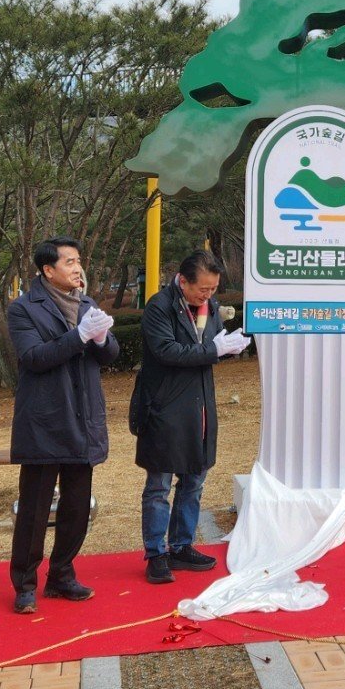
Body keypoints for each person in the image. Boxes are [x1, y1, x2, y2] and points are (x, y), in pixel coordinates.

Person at [8, 237, 119, 614]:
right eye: (69, 262)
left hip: (83, 417)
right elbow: (34, 357)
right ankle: (24, 583)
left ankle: (62, 574)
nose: (77, 268)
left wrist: (101, 338)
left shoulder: (86, 303)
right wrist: (79, 335)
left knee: (76, 507)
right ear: (47, 270)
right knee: (35, 509)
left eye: (78, 261)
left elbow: (110, 355)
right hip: (45, 420)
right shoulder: (24, 308)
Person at [130, 250, 250, 584]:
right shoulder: (159, 307)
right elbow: (166, 351)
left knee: (194, 480)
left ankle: (182, 545)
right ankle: (156, 553)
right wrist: (214, 350)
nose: (208, 295)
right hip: (164, 406)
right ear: (183, 281)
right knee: (159, 484)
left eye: (213, 289)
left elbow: (206, 349)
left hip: (199, 405)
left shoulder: (209, 307)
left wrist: (226, 346)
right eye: (203, 289)